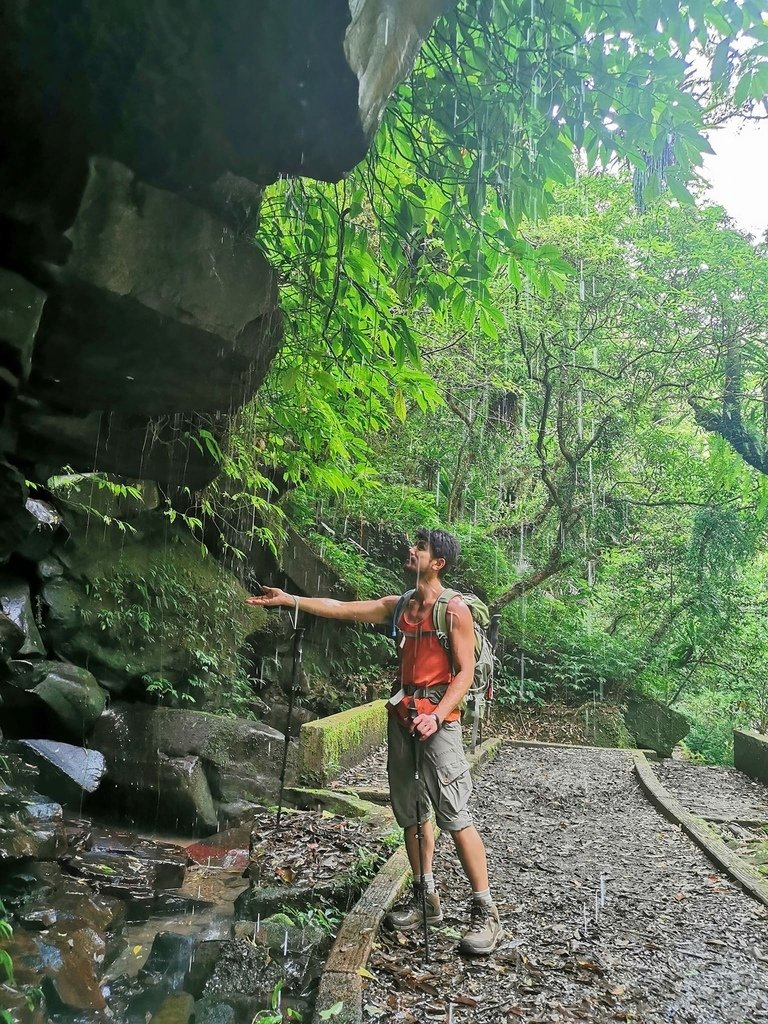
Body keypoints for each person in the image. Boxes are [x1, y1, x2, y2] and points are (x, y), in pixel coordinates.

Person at [245, 527, 501, 955]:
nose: (411, 549)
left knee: (454, 814)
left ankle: (485, 912)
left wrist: (437, 716)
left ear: (437, 562)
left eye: (419, 547)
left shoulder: (454, 611)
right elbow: (341, 608)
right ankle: (426, 898)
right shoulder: (399, 606)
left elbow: (465, 673)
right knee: (410, 813)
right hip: (402, 720)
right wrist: (290, 600)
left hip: (439, 723)